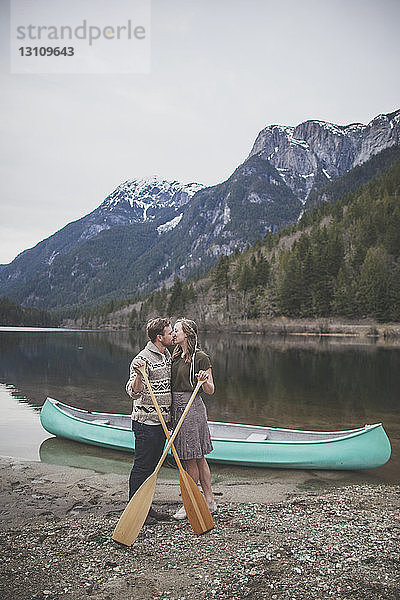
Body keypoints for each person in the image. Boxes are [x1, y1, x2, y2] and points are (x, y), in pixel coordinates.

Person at [125, 317, 173, 524]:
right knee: (142, 467)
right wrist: (138, 376)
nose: (172, 335)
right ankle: (135, 510)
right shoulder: (141, 359)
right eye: (169, 333)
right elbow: (133, 392)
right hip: (146, 423)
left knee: (153, 468)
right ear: (159, 337)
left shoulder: (167, 355)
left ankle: (146, 507)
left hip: (162, 422)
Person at [170, 317, 216, 520]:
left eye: (176, 330)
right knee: (196, 457)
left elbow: (211, 390)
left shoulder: (201, 357)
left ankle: (192, 503)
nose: (173, 333)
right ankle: (209, 501)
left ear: (186, 333)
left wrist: (203, 381)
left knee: (192, 458)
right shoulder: (176, 355)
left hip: (192, 409)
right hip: (178, 408)